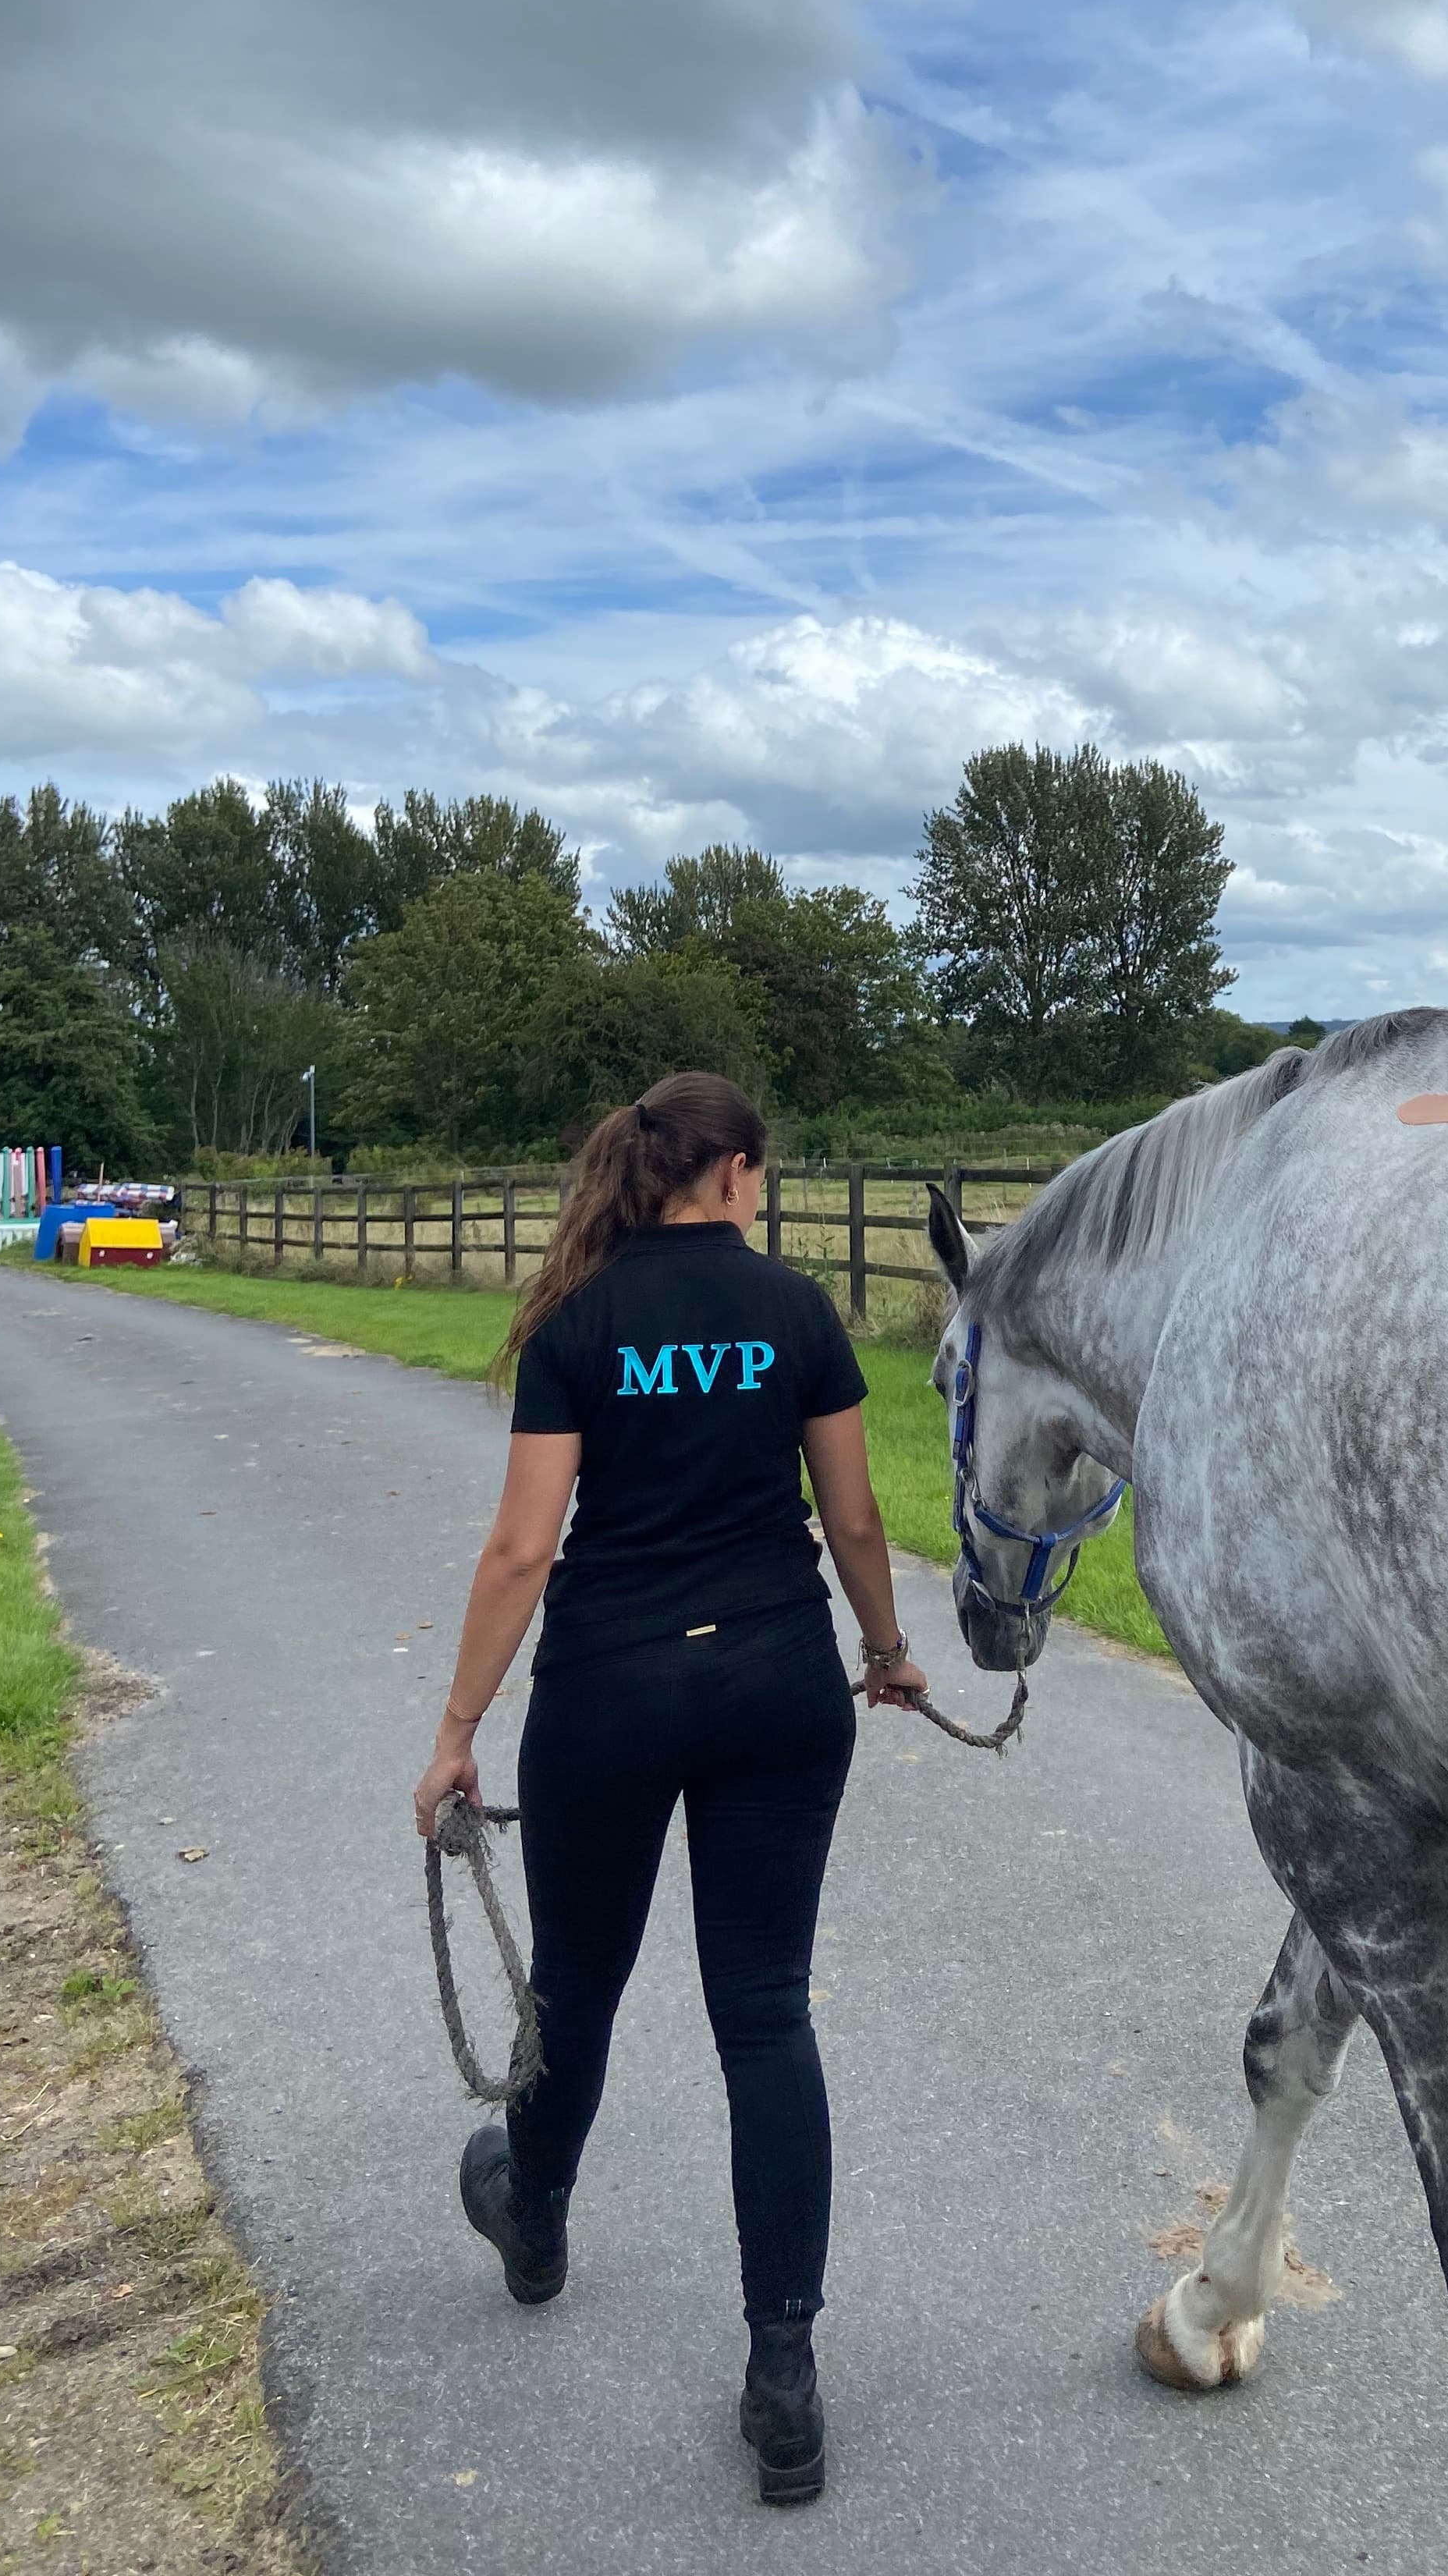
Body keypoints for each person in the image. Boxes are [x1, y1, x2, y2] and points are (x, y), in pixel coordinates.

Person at [413, 1070, 928, 2506]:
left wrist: (457, 1727)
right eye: (761, 1177)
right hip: (772, 1682)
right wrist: (884, 1652)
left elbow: (523, 1552)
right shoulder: (798, 1314)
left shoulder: (580, 1321)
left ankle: (535, 2219)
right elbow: (858, 1515)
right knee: (765, 2013)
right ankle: (782, 2378)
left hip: (610, 1694)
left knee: (576, 1984)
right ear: (740, 1174)